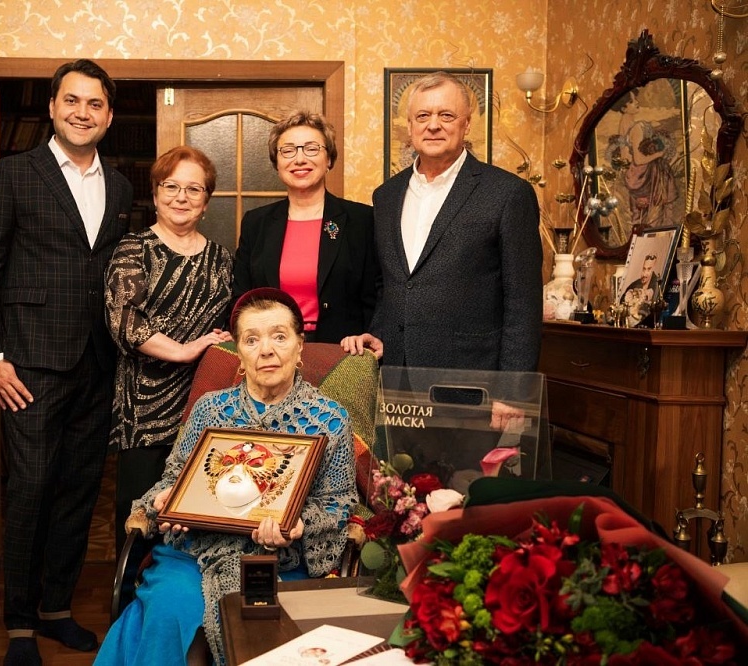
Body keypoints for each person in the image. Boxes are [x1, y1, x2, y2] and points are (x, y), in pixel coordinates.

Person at [0, 59, 133, 666]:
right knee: (31, 488)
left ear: (108, 116)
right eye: (72, 101)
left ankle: (56, 609)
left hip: (98, 363)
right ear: (53, 107)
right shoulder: (14, 173)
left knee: (78, 491)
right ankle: (19, 623)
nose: (83, 112)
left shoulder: (121, 186)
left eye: (95, 104)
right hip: (29, 364)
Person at [95, 288, 358, 666]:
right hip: (194, 553)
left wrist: (298, 525)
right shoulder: (209, 409)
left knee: (258, 630)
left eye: (279, 337)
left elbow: (338, 502)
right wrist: (165, 500)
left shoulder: (330, 419)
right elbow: (175, 476)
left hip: (278, 562)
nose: (266, 350)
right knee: (173, 608)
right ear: (239, 352)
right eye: (251, 340)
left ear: (300, 346)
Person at [342, 72, 542, 377]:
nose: (433, 125)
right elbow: (390, 284)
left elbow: (523, 303)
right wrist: (380, 332)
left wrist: (513, 391)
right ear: (410, 126)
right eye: (423, 116)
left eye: (446, 115)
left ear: (466, 124)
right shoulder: (386, 196)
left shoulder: (508, 193)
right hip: (395, 373)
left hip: (472, 378)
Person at [105, 145, 233, 557]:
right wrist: (184, 350)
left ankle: (186, 592)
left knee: (201, 514)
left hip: (206, 405)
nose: (181, 197)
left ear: (206, 201)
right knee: (139, 519)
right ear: (156, 194)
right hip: (144, 409)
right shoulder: (133, 248)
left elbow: (232, 323)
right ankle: (132, 597)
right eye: (171, 186)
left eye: (193, 189)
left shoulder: (221, 258)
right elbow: (124, 322)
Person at [233, 111, 379, 343]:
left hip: (342, 351)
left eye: (311, 149)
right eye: (288, 150)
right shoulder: (256, 223)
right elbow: (242, 297)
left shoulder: (361, 220)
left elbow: (377, 293)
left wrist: (373, 335)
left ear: (329, 159)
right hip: (270, 350)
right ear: (276, 162)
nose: (299, 159)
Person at [610, 90, 678, 230]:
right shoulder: (637, 128)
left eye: (635, 99)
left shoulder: (623, 125)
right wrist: (659, 154)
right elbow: (639, 160)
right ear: (623, 108)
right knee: (656, 216)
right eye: (631, 101)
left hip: (633, 174)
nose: (636, 102)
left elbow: (625, 158)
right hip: (645, 174)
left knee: (641, 218)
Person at [621, 253, 659, 325]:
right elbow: (622, 302)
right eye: (644, 269)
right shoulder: (635, 284)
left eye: (649, 269)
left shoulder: (657, 285)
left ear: (653, 269)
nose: (644, 274)